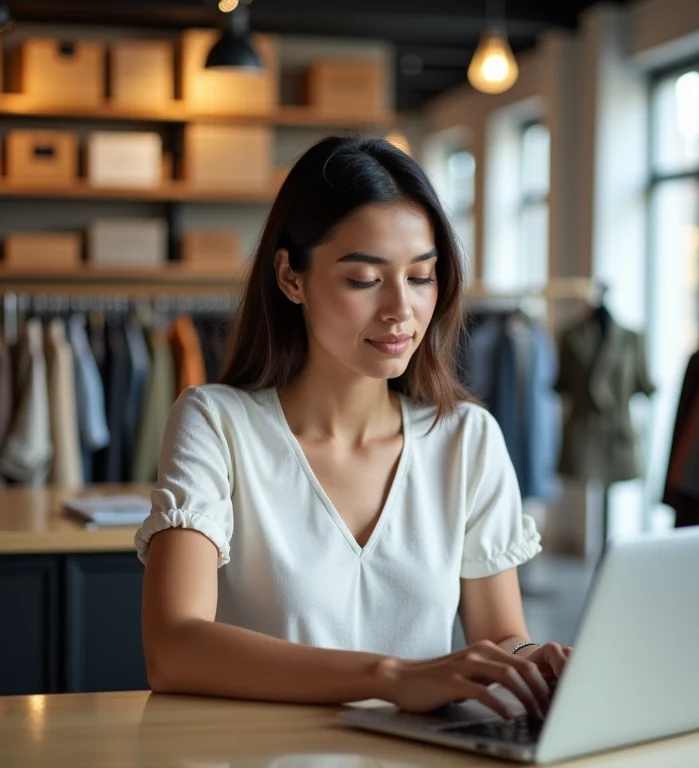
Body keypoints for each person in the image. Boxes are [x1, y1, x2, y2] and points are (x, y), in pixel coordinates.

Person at [135, 136, 571, 722]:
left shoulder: (467, 438)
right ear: (291, 278)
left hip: (417, 757)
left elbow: (500, 636)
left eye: (421, 276)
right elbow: (174, 647)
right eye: (365, 279)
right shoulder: (217, 423)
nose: (401, 310)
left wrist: (532, 660)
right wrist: (392, 678)